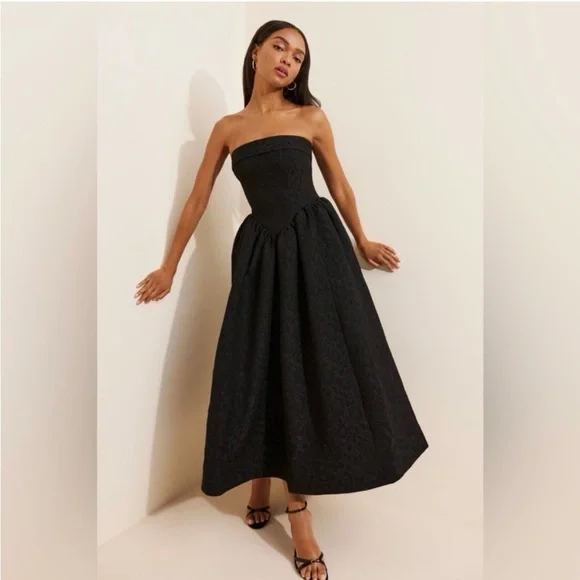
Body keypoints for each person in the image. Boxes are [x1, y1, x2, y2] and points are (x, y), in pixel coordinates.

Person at [135, 19, 429, 580]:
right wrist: (168, 266)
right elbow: (197, 199)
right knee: (259, 366)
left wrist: (362, 239)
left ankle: (298, 514)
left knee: (307, 368)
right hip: (259, 254)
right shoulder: (227, 128)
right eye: (280, 46)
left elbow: (338, 183)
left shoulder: (310, 117)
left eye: (298, 55)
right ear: (255, 53)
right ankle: (258, 480)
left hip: (314, 248)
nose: (289, 60)